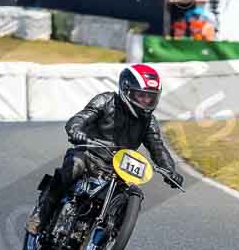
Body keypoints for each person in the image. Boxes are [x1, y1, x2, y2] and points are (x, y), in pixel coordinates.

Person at [26, 63, 184, 235]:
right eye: (141, 96)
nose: (146, 101)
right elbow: (81, 117)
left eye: (150, 97)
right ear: (126, 90)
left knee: (131, 193)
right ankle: (41, 215)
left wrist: (170, 171)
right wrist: (76, 130)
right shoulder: (106, 100)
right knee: (74, 166)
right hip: (89, 155)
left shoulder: (149, 121)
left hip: (119, 168)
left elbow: (158, 147)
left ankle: (110, 232)